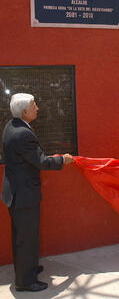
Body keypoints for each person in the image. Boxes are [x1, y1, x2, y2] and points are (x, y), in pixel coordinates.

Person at [1, 93, 74, 292]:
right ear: (25, 111)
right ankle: (25, 282)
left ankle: (28, 268)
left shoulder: (12, 125)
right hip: (23, 195)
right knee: (27, 238)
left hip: (16, 191)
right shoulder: (23, 134)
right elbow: (41, 161)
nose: (38, 109)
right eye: (34, 105)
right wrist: (62, 160)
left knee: (23, 236)